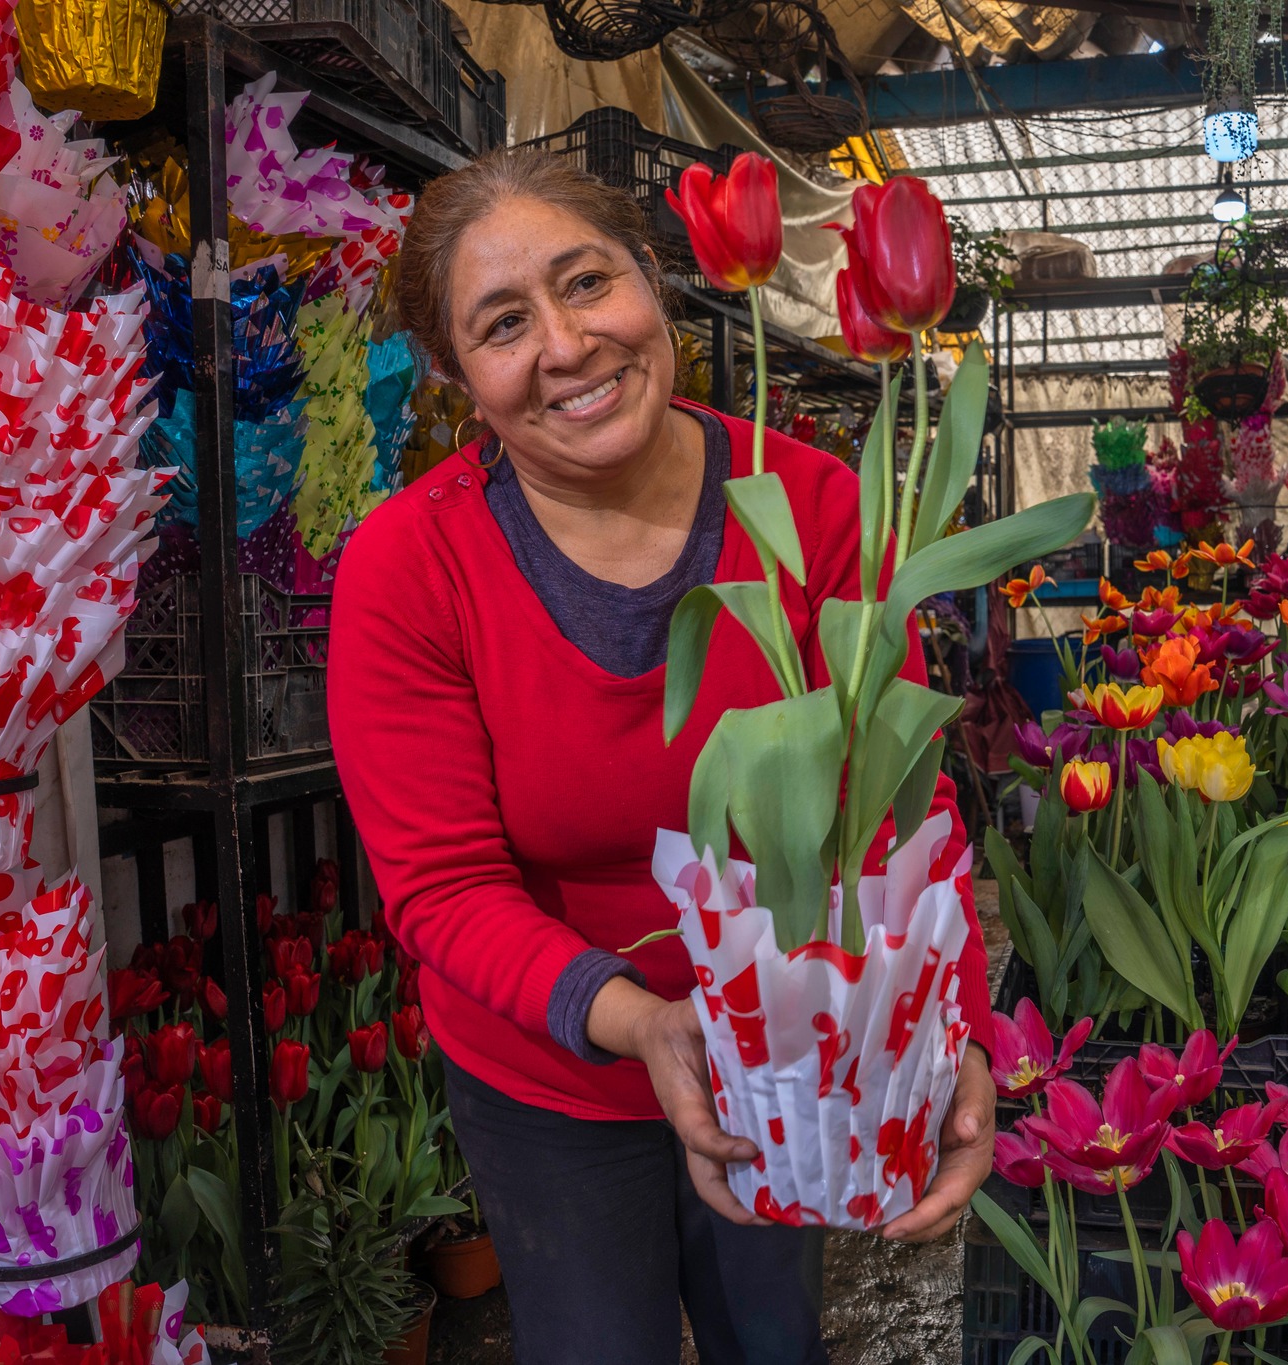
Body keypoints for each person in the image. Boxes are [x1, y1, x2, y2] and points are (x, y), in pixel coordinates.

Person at [328, 148, 995, 1365]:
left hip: (793, 1049)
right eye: (501, 325)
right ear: (458, 378)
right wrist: (637, 1020)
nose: (567, 346)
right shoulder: (408, 565)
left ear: (653, 278)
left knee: (776, 1340)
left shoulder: (814, 504)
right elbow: (441, 886)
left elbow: (901, 804)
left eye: (586, 283)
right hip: (550, 1067)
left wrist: (955, 1041)